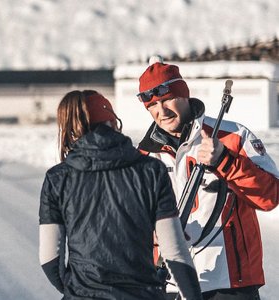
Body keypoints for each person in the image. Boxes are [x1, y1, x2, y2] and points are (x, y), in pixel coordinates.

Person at [136, 60, 279, 300]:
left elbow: (270, 197)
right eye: (152, 105)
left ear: (184, 95)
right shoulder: (143, 156)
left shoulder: (233, 136)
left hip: (230, 282)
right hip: (170, 283)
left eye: (168, 99)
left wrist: (225, 161)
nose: (162, 111)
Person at [39, 90, 202, 299]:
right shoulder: (151, 170)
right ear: (113, 122)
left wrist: (78, 291)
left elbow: (49, 259)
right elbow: (175, 252)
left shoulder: (57, 178)